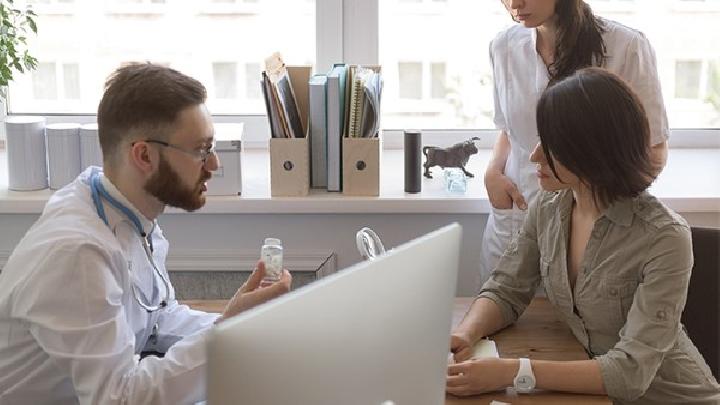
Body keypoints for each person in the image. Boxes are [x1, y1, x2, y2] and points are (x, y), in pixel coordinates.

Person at [0, 63, 292, 404]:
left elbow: (156, 319)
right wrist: (223, 335)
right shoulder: (76, 253)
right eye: (201, 149)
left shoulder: (120, 206)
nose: (213, 164)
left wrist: (238, 326)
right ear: (144, 155)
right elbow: (119, 397)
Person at [447, 68, 720, 403]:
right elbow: (507, 288)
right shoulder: (549, 205)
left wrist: (512, 371)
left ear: (591, 149)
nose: (534, 155)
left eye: (552, 145)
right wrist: (465, 334)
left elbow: (630, 372)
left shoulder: (664, 238)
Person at [480, 0, 670, 285]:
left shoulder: (625, 47)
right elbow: (510, 130)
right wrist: (493, 172)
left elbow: (653, 151)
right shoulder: (503, 47)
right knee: (500, 318)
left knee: (584, 323)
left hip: (594, 234)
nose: (514, 3)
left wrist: (593, 206)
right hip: (515, 221)